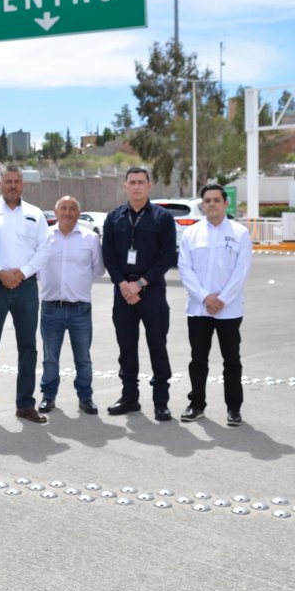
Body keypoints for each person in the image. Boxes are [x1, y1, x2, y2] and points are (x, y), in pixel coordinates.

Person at [0, 165, 50, 426]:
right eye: (8, 181)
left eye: (17, 181)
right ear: (0, 183)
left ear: (23, 185)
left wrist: (23, 273)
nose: (12, 185)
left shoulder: (35, 214)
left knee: (28, 347)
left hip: (26, 286)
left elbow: (44, 249)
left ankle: (25, 404)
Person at [101, 167, 177, 421]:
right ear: (125, 186)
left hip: (152, 291)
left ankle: (161, 401)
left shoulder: (162, 218)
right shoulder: (113, 218)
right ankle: (129, 397)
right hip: (123, 293)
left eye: (140, 182)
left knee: (157, 346)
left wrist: (141, 283)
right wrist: (124, 284)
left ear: (149, 185)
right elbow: (108, 256)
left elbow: (167, 256)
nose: (136, 187)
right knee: (126, 348)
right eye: (131, 182)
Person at [177, 184, 252, 427]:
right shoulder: (191, 233)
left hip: (229, 310)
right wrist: (204, 297)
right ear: (203, 204)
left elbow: (242, 270)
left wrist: (222, 300)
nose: (211, 204)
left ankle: (234, 408)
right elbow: (185, 269)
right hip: (199, 309)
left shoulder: (239, 233)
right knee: (198, 360)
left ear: (225, 203)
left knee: (231, 360)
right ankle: (196, 404)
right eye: (207, 200)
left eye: (216, 200)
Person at [37, 195, 105, 416]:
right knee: (50, 357)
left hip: (80, 309)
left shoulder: (90, 238)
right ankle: (48, 397)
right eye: (63, 208)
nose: (67, 212)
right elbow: (36, 268)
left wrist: (78, 286)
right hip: (50, 307)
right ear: (55, 213)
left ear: (79, 212)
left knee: (83, 357)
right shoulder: (44, 237)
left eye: (72, 208)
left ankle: (85, 398)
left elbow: (97, 270)